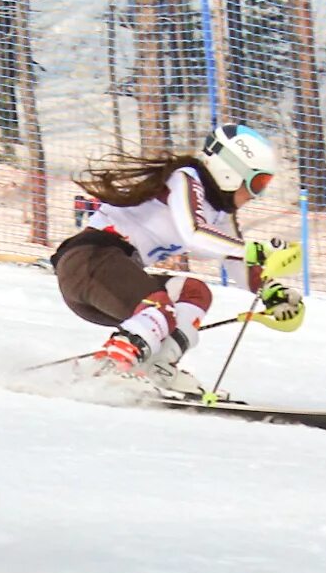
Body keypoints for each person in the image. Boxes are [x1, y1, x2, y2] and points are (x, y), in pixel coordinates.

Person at [50, 122, 305, 396]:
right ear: (230, 171)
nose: (256, 195)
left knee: (194, 293)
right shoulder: (187, 179)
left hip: (110, 280)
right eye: (257, 183)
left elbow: (234, 258)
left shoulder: (219, 211)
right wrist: (256, 249)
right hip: (89, 261)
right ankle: (114, 365)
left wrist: (270, 291)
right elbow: (195, 233)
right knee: (159, 307)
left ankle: (157, 366)